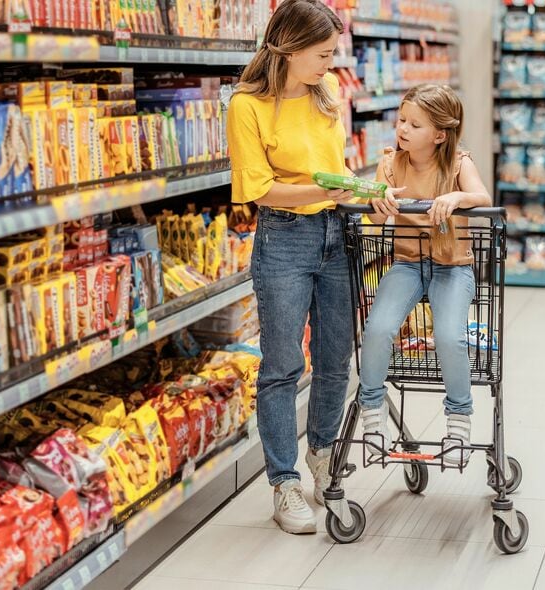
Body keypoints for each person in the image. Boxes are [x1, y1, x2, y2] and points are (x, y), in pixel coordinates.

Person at [227, 0, 354, 535]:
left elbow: (338, 168)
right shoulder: (246, 106)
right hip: (284, 236)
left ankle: (323, 456)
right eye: (322, 53)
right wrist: (326, 188)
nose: (330, 61)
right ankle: (284, 482)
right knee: (281, 364)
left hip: (336, 234)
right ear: (290, 47)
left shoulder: (328, 95)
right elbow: (258, 189)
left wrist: (360, 191)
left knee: (334, 358)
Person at [361, 84, 492, 466]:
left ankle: (458, 420)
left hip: (452, 265)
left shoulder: (457, 164)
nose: (402, 129)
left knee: (450, 336)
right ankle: (373, 416)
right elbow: (373, 217)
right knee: (378, 328)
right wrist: (378, 203)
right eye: (401, 120)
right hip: (406, 262)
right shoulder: (388, 164)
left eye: (414, 125)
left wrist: (455, 197)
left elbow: (482, 198)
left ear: (439, 135)